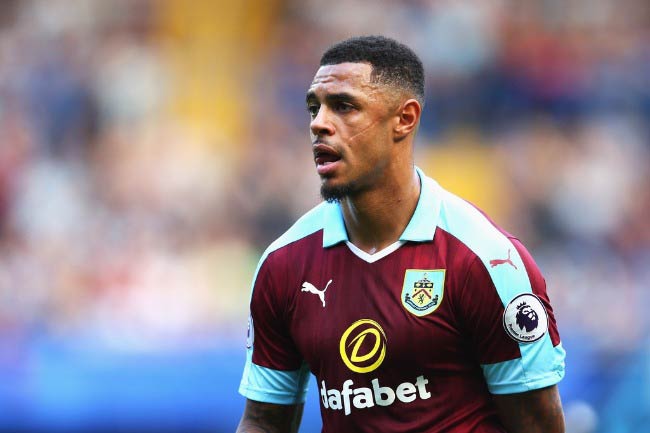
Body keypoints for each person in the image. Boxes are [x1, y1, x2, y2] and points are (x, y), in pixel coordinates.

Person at [237, 36, 566, 433]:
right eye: (314, 108)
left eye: (343, 106)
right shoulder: (284, 265)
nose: (318, 124)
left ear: (405, 118)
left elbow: (538, 426)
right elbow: (263, 423)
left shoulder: (484, 260)